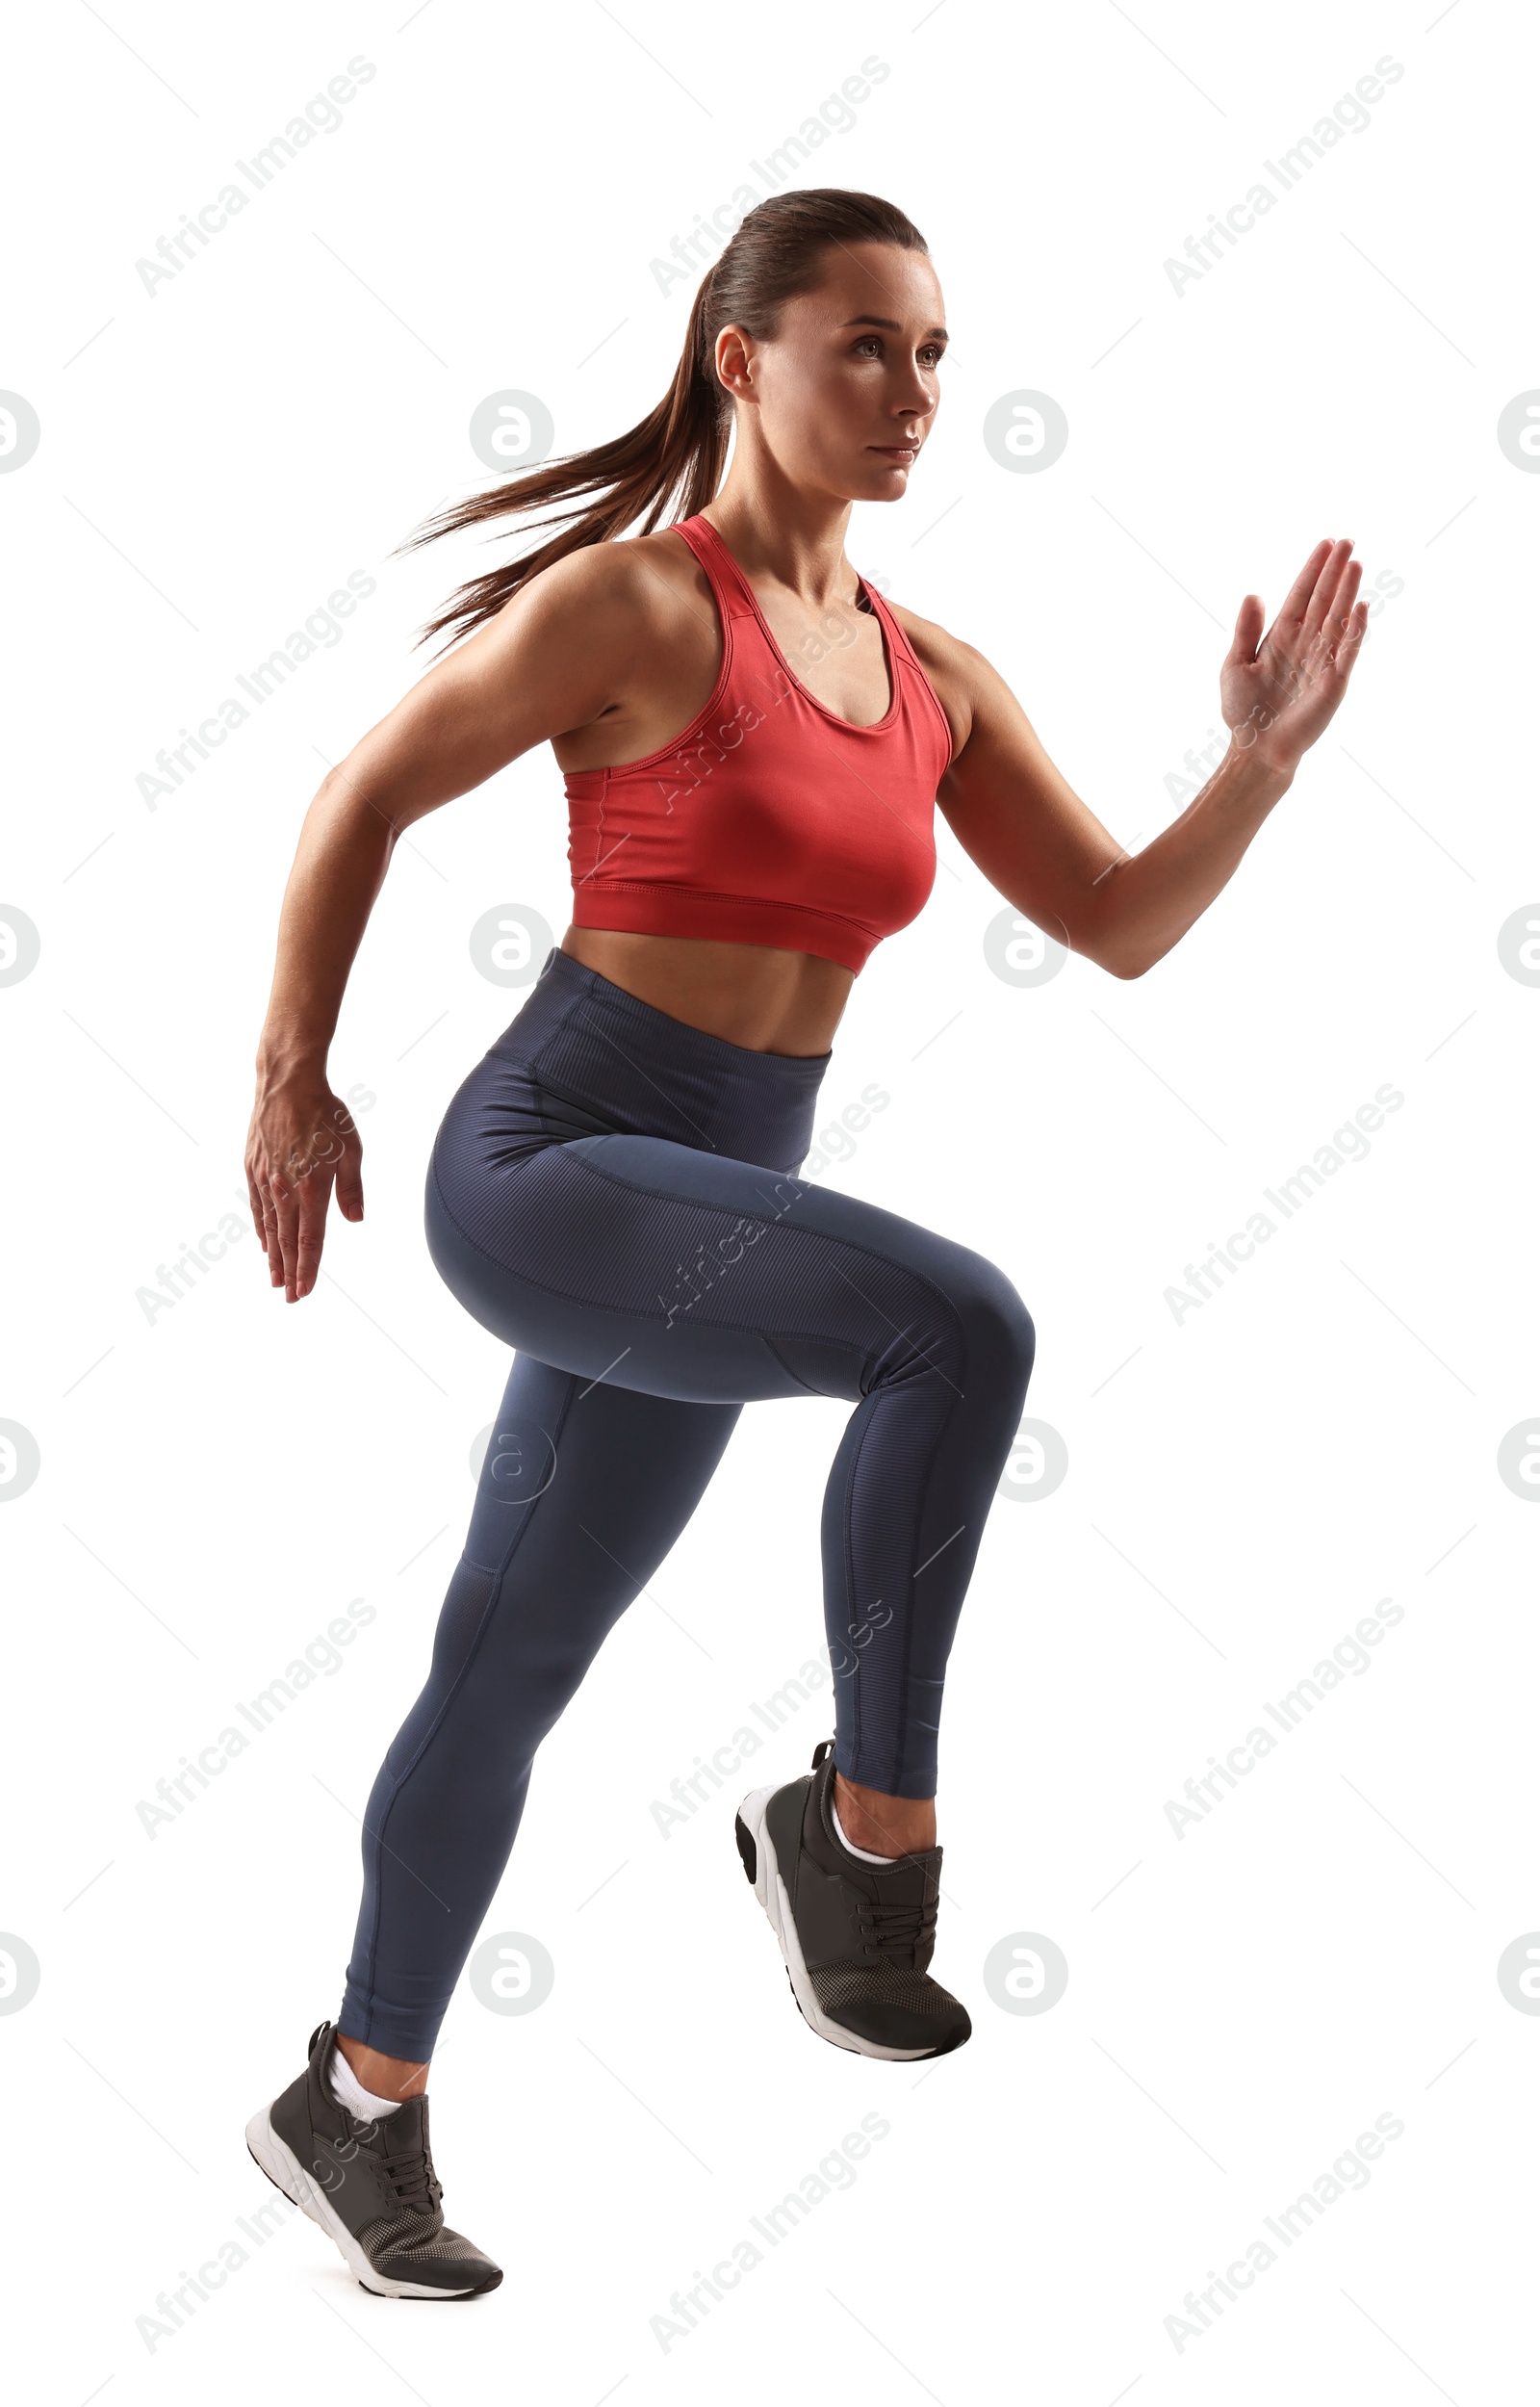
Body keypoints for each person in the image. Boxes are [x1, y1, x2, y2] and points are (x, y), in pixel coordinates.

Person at [241, 187, 1369, 2300]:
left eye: (933, 350)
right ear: (740, 360)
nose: (909, 391)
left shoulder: (932, 673)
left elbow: (1115, 922)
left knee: (503, 1664)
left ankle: (354, 2098)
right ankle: (863, 1834)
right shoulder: (636, 611)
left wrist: (1254, 767)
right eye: (861, 345)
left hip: (705, 1208)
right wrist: (293, 1073)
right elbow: (358, 790)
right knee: (956, 1328)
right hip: (554, 1160)